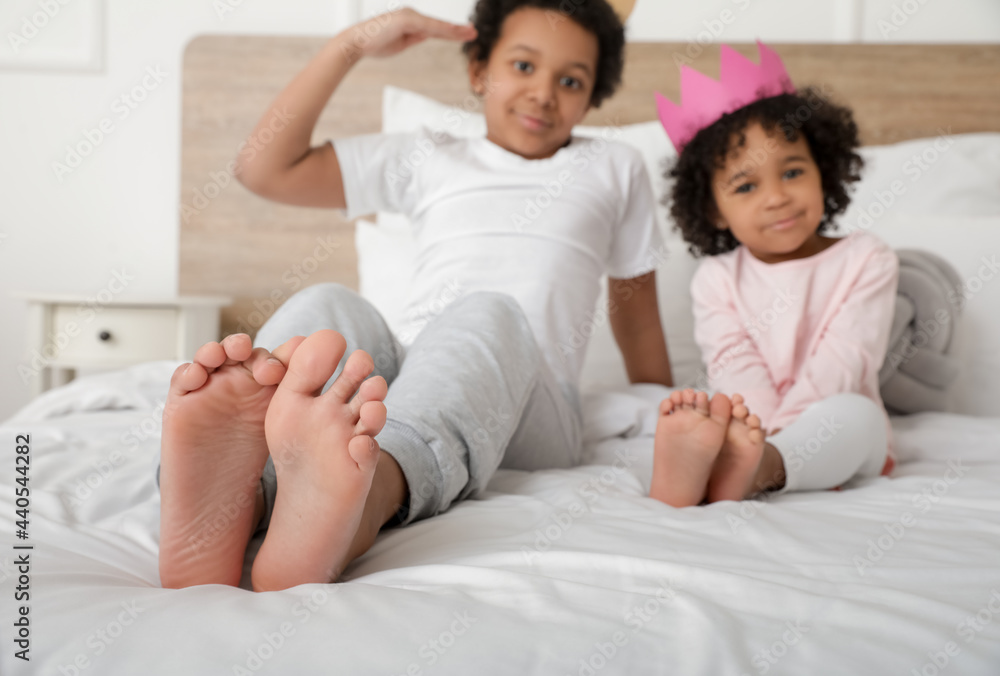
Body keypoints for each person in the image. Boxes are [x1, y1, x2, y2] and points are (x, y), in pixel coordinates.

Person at [157, 0, 673, 592]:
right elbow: (264, 170)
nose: (543, 93)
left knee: (488, 311)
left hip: (532, 409)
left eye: (571, 80)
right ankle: (243, 499)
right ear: (479, 69)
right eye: (523, 67)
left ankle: (364, 496)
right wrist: (349, 46)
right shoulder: (429, 155)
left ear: (593, 99)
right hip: (411, 383)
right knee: (332, 307)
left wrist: (665, 414)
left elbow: (638, 322)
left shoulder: (615, 167)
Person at [649, 42, 898, 508]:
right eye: (745, 185)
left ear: (823, 171)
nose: (776, 197)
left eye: (792, 172)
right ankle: (710, 468)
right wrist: (753, 427)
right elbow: (733, 364)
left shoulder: (867, 257)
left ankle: (760, 466)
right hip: (754, 424)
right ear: (712, 210)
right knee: (713, 407)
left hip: (839, 430)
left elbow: (847, 360)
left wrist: (777, 435)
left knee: (855, 413)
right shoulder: (716, 278)